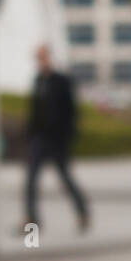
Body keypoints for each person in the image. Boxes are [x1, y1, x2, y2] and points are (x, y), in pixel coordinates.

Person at [24, 44, 89, 231]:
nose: (40, 61)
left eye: (43, 57)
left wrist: (68, 137)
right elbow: (34, 112)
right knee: (30, 182)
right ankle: (32, 219)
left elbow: (71, 112)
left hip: (57, 140)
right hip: (39, 139)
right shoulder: (37, 81)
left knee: (65, 179)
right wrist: (30, 135)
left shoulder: (62, 81)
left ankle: (82, 212)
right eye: (38, 57)